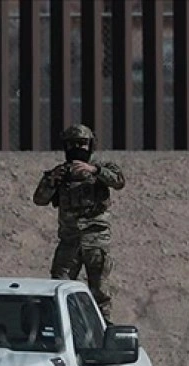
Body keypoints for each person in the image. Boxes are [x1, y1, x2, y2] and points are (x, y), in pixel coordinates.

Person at [33, 124, 126, 324]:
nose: (77, 148)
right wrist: (52, 181)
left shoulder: (103, 168)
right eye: (72, 144)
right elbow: (39, 199)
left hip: (95, 240)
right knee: (59, 287)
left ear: (90, 145)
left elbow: (118, 181)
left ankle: (103, 328)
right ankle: (62, 326)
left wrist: (94, 170)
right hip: (69, 240)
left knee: (99, 289)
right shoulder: (60, 173)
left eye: (82, 144)